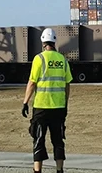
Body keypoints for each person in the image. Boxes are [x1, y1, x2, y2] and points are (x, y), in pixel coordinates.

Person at [22, 28, 72, 173]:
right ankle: (59, 170)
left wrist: (25, 102)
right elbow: (67, 84)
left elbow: (32, 82)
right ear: (54, 41)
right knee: (58, 140)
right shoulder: (62, 60)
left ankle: (37, 171)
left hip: (41, 107)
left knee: (38, 139)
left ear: (43, 42)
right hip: (59, 107)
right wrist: (65, 103)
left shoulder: (39, 59)